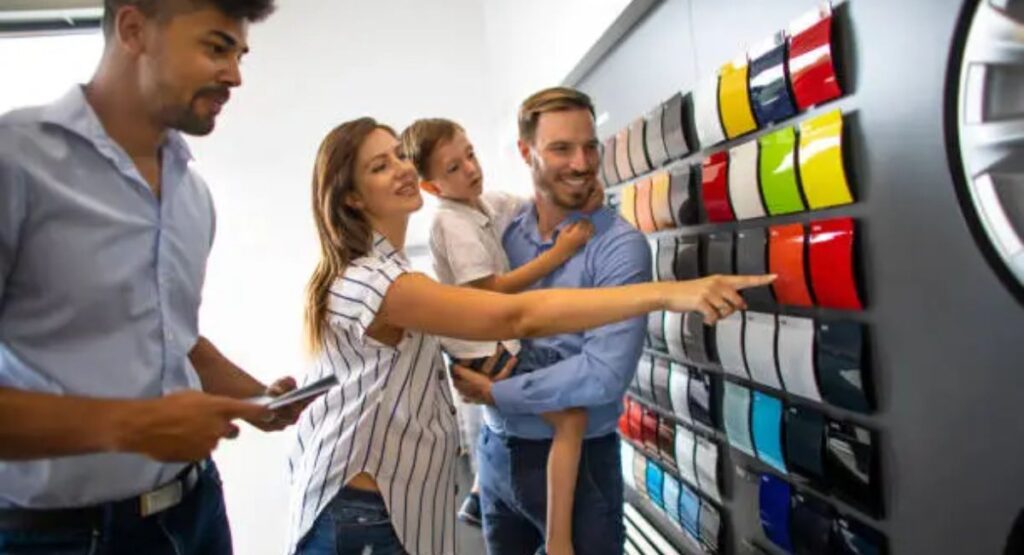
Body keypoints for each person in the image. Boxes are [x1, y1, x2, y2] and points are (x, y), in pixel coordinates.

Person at [287, 116, 772, 555]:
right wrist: (668, 294)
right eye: (379, 166)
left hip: (390, 507)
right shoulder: (379, 280)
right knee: (569, 421)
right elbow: (515, 316)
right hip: (361, 515)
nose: (401, 168)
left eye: (398, 153)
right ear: (351, 197)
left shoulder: (391, 267)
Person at [0, 1, 307, 553]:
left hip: (196, 511)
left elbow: (172, 335)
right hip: (60, 535)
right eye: (216, 48)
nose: (235, 75)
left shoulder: (193, 194)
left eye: (239, 55)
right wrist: (131, 426)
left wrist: (257, 399)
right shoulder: (15, 162)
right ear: (133, 29)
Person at [448, 86, 657, 555]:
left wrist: (496, 391)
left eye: (589, 147)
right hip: (496, 454)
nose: (582, 164)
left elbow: (603, 375)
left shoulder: (620, 248)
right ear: (526, 153)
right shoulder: (502, 230)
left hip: (580, 467)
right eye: (561, 148)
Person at [400, 117, 597, 554]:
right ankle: (560, 541)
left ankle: (478, 496)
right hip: (484, 352)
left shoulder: (481, 202)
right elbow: (492, 292)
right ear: (432, 187)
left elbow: (531, 204)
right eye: (453, 168)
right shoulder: (451, 222)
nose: (470, 168)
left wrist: (574, 190)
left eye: (469, 154)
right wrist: (561, 253)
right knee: (571, 420)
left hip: (490, 345)